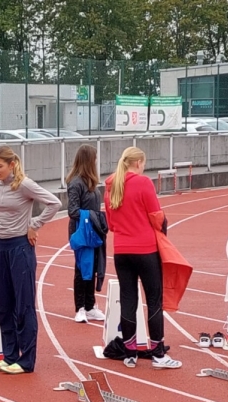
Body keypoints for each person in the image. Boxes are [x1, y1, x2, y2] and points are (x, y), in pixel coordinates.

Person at [0, 146, 61, 374]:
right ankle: (9, 356)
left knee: (23, 305)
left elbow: (54, 203)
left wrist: (34, 225)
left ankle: (26, 360)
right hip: (0, 247)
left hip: (20, 247)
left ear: (12, 165)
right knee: (3, 304)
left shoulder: (24, 185)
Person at [104, 146, 181, 369]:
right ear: (138, 163)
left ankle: (130, 353)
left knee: (128, 299)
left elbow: (110, 223)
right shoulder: (143, 183)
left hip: (121, 250)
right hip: (146, 249)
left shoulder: (110, 185)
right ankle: (158, 354)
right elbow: (156, 216)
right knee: (153, 300)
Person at [67, 144, 107, 323]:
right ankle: (80, 307)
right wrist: (92, 216)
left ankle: (90, 306)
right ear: (88, 160)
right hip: (82, 232)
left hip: (93, 231)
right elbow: (73, 211)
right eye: (94, 158)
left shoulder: (90, 182)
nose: (96, 161)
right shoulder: (76, 183)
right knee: (82, 268)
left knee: (92, 268)